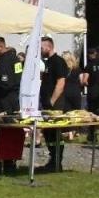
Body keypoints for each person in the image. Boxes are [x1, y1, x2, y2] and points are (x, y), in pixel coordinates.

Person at [37, 36, 70, 171]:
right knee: (48, 132)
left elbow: (61, 83)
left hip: (55, 104)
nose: (40, 50)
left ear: (48, 47)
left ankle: (57, 162)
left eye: (41, 47)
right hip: (46, 103)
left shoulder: (58, 61)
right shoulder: (47, 62)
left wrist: (52, 100)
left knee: (55, 132)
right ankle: (52, 160)